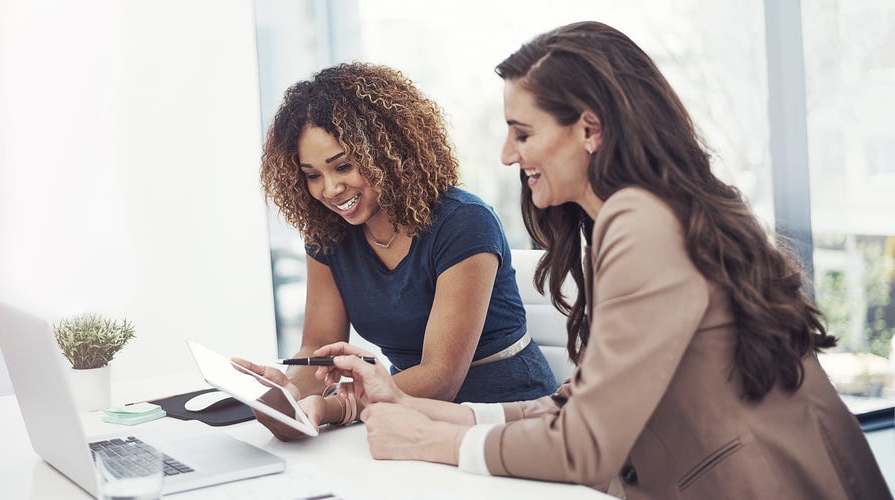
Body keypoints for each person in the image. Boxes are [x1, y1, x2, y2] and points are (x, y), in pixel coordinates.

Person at [272, 22, 890, 499]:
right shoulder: (636, 218)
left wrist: (442, 440)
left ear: (588, 130)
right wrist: (413, 408)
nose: (509, 155)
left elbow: (587, 445)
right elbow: (576, 403)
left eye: (523, 132)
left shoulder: (639, 224)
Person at [243, 62, 558, 440]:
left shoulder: (464, 222)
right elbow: (316, 348)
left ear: (386, 151)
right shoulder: (328, 234)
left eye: (342, 166)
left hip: (506, 416)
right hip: (403, 414)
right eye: (313, 175)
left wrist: (334, 408)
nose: (329, 189)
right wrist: (290, 392)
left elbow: (441, 377)